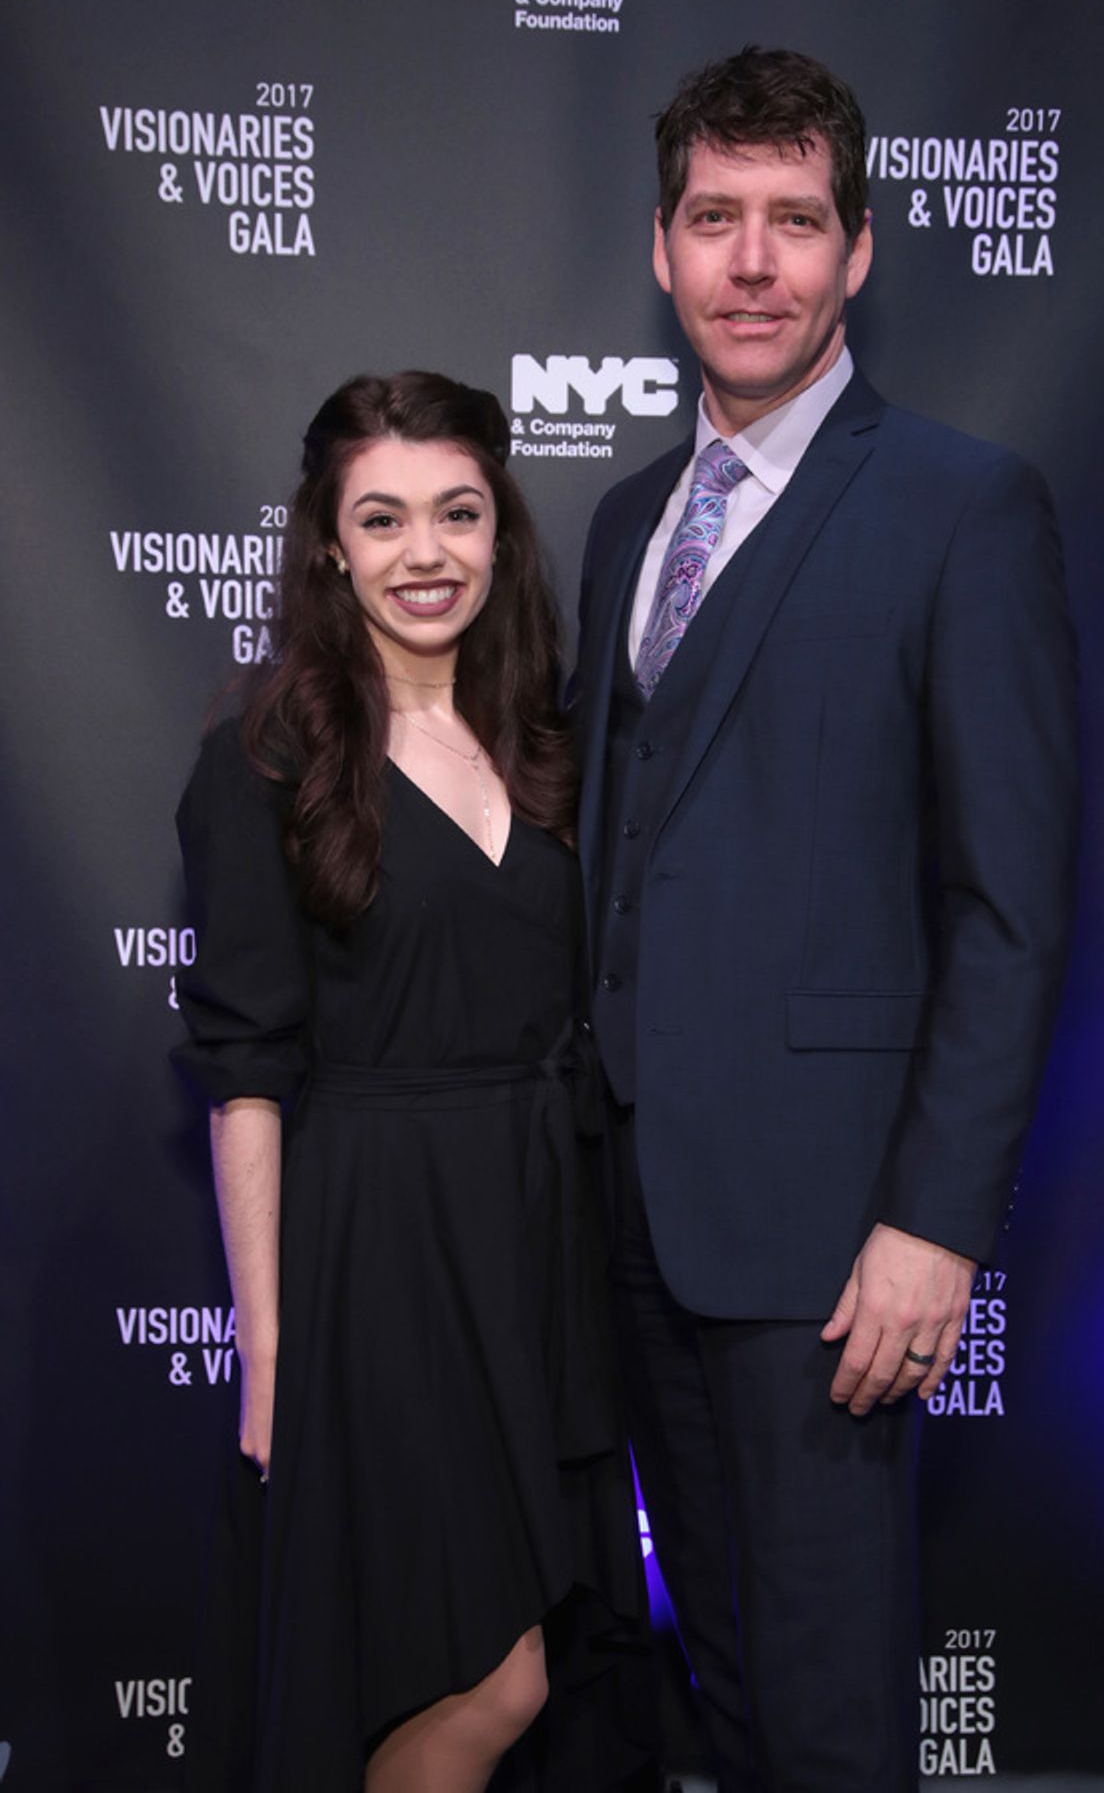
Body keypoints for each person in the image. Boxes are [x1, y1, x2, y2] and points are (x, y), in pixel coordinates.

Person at [571, 47, 1077, 1793]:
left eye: (796, 222)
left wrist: (932, 1226)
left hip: (832, 1246)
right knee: (712, 1686)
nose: (754, 263)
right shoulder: (630, 521)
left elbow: (1010, 905)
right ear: (663, 248)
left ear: (860, 250)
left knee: (833, 1708)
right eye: (718, 220)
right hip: (629, 1219)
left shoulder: (961, 507)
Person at [173, 371, 652, 1793]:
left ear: (501, 527)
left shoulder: (554, 746)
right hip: (380, 1253)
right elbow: (245, 1072)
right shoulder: (265, 762)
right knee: (475, 1668)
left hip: (542, 1237)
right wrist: (270, 1354)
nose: (424, 552)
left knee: (548, 1656)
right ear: (326, 541)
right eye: (380, 520)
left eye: (457, 512)